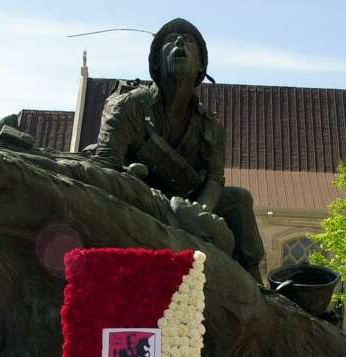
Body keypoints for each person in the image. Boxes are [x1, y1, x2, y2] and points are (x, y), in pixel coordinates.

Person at [90, 18, 266, 281]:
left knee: (240, 200)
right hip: (142, 195)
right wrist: (131, 178)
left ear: (201, 67)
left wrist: (197, 212)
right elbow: (105, 165)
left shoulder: (211, 127)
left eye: (189, 42)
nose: (180, 43)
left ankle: (254, 285)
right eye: (170, 41)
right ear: (156, 63)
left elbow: (215, 180)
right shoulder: (130, 106)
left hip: (188, 200)